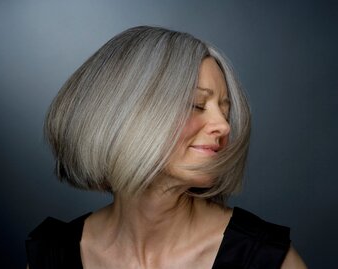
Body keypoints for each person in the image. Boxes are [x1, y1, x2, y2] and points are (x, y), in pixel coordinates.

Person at [26, 26, 307, 269]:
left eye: (224, 110)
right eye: (197, 105)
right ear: (124, 116)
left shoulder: (262, 257)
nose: (223, 125)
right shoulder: (54, 256)